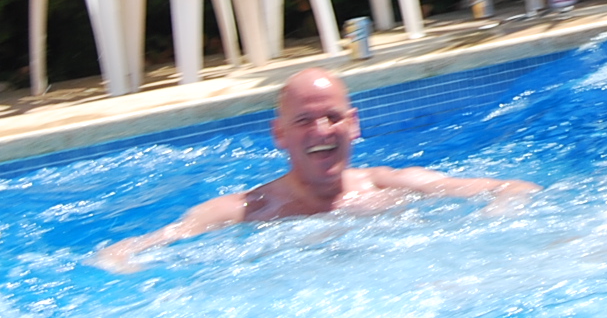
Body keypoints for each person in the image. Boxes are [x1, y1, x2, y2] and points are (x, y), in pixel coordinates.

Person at [91, 68, 538, 270]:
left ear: (354, 124)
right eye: (304, 120)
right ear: (280, 134)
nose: (321, 131)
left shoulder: (392, 185)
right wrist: (123, 260)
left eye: (332, 117)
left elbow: (514, 186)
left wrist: (498, 215)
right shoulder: (246, 211)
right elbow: (127, 249)